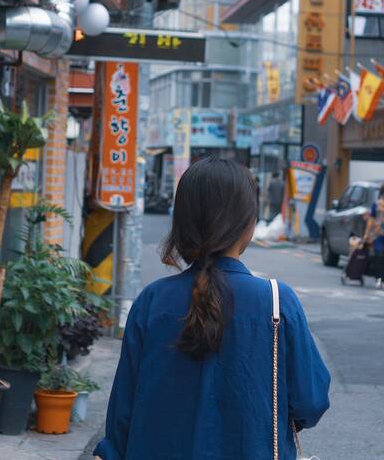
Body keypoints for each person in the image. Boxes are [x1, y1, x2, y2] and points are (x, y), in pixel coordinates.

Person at [94, 157, 330, 459]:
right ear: (247, 224)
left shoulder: (151, 302)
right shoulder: (277, 302)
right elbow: (310, 402)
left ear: (182, 222)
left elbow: (121, 419)